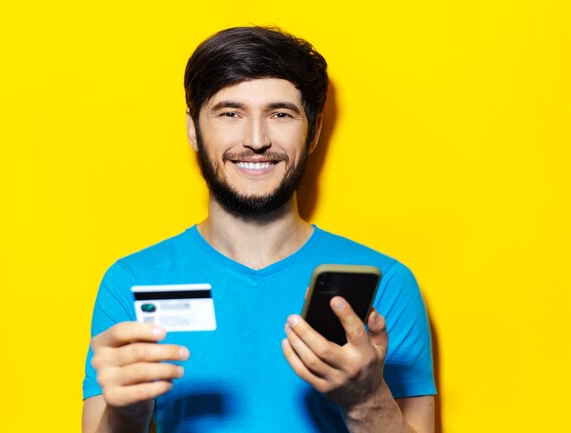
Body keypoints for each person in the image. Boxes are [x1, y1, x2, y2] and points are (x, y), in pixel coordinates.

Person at [82, 26, 436, 433]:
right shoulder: (131, 281)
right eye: (230, 113)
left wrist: (366, 400)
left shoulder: (386, 283)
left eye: (280, 114)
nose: (255, 140)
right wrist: (126, 413)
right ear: (193, 129)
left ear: (314, 131)